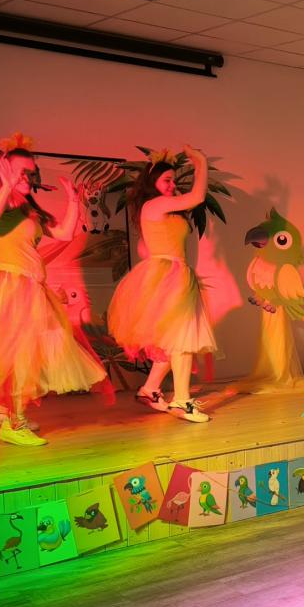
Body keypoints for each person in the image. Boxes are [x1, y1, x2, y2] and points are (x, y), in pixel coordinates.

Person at [0, 133, 105, 447]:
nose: (27, 177)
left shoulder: (28, 207)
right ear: (4, 170)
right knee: (21, 356)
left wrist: (74, 201)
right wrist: (6, 186)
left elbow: (64, 234)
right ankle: (14, 422)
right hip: (12, 287)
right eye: (21, 172)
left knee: (34, 353)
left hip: (33, 287)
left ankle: (5, 410)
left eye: (31, 172)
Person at [108, 146, 216, 424]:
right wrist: (201, 163)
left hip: (172, 273)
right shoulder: (155, 205)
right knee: (182, 338)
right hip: (169, 275)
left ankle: (150, 389)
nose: (171, 185)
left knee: (174, 340)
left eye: (173, 180)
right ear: (152, 182)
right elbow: (197, 197)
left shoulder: (160, 209)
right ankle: (181, 401)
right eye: (166, 180)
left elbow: (147, 247)